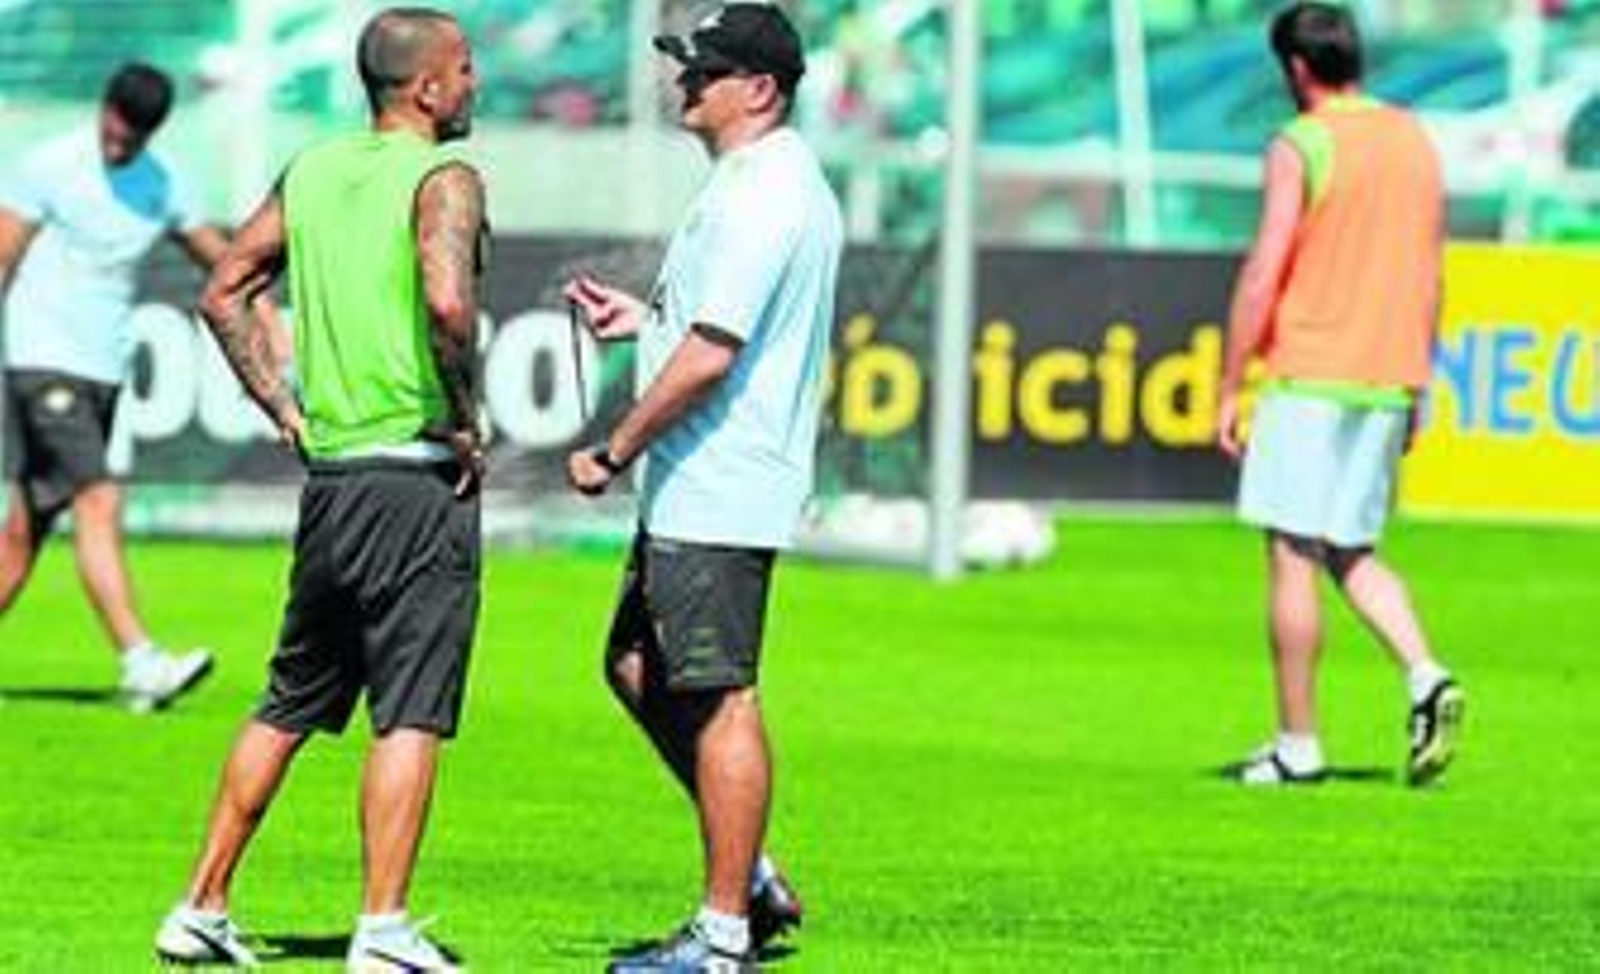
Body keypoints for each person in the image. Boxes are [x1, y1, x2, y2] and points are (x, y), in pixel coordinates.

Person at [153, 9, 486, 971]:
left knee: (288, 702)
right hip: (415, 483)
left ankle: (201, 905)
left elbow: (224, 289)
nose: (472, 84)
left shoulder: (312, 169)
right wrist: (467, 417)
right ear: (425, 88)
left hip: (334, 480)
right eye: (463, 69)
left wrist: (283, 409)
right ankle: (382, 929)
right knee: (412, 711)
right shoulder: (444, 178)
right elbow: (448, 302)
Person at [564, 3, 840, 969]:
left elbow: (715, 356)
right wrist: (643, 321)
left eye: (704, 71)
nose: (684, 83)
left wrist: (614, 449)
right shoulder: (753, 181)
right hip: (702, 483)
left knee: (721, 696)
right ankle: (750, 873)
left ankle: (723, 933)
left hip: (721, 481)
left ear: (759, 90)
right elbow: (709, 328)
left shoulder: (766, 192)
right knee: (636, 665)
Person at [1217, 2, 1465, 787]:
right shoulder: (1413, 138)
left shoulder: (1303, 143)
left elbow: (1265, 267)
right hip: (1388, 374)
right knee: (1350, 549)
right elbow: (1433, 270)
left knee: (1292, 551)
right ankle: (1426, 674)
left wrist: (1232, 380)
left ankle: (1299, 744)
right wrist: (1420, 376)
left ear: (1295, 68)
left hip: (1312, 371)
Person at [0, 63, 262, 711]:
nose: (120, 141)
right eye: (116, 125)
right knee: (99, 499)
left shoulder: (162, 182)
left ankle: (139, 662)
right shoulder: (49, 164)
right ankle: (140, 662)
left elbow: (219, 257)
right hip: (42, 360)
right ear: (104, 107)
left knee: (24, 529)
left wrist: (265, 315)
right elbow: (3, 251)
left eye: (135, 133)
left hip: (103, 369)